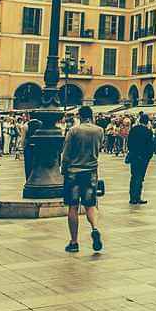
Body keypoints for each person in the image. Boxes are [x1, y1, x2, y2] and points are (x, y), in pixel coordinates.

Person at [60, 106, 103, 253]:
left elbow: (66, 153)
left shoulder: (73, 131)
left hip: (73, 172)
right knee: (90, 205)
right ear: (91, 116)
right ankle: (95, 228)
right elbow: (99, 148)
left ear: (80, 116)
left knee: (73, 206)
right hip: (91, 172)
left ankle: (74, 242)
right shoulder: (99, 131)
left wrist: (63, 168)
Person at [127, 113, 154, 205]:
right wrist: (148, 156)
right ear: (147, 122)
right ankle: (137, 197)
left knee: (134, 176)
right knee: (140, 177)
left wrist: (132, 152)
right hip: (143, 158)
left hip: (134, 156)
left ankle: (132, 197)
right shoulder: (148, 131)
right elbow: (150, 146)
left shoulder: (133, 129)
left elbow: (129, 142)